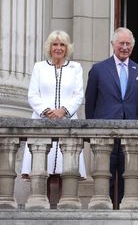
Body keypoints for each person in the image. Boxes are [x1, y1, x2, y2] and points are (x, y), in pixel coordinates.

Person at [85, 27, 138, 207]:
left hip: (130, 136)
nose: (124, 47)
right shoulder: (98, 69)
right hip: (104, 134)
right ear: (113, 44)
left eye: (128, 44)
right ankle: (103, 216)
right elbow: (90, 103)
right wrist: (90, 132)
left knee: (129, 179)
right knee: (103, 179)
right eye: (121, 43)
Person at [22, 30, 86, 204]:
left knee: (66, 169)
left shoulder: (75, 68)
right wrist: (47, 111)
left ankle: (64, 209)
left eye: (62, 44)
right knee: (43, 167)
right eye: (55, 44)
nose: (58, 48)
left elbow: (78, 95)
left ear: (67, 48)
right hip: (42, 122)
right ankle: (43, 207)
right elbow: (32, 95)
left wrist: (63, 111)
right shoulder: (39, 67)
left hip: (67, 122)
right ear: (49, 47)